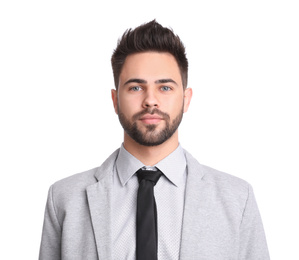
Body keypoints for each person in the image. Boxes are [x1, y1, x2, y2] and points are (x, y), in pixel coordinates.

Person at [39, 20, 270, 260]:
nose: (151, 100)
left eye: (165, 88)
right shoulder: (64, 198)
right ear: (115, 100)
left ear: (186, 99)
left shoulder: (237, 198)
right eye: (136, 88)